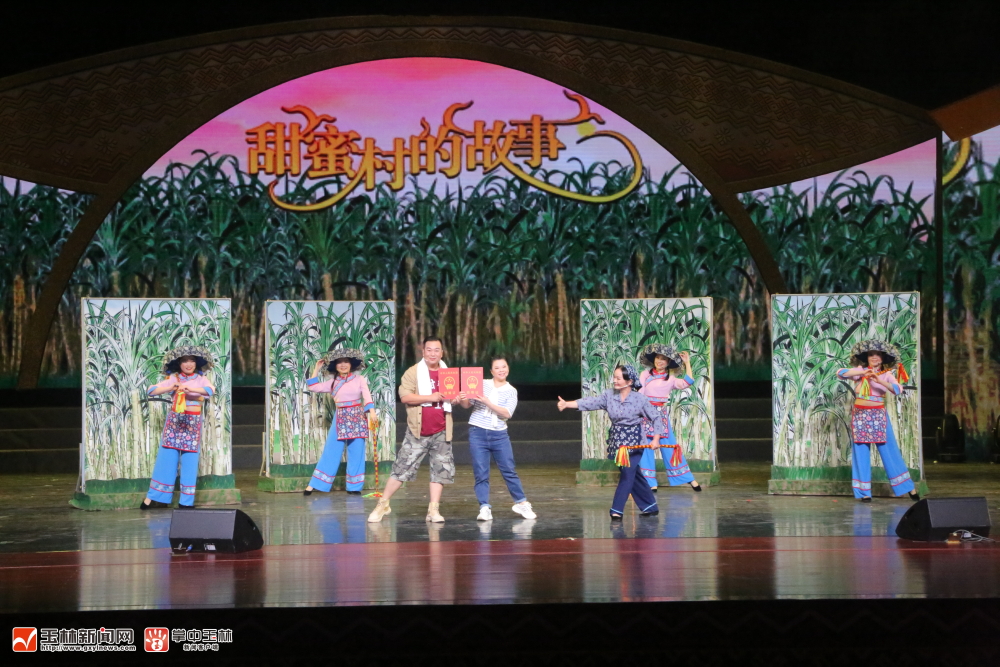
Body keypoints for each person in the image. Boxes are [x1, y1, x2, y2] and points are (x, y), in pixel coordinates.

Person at [368, 337, 459, 523]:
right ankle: (382, 504)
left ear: (442, 353)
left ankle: (433, 510)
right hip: (418, 430)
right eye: (429, 350)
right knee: (401, 468)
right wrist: (431, 397)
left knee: (440, 470)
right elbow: (405, 397)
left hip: (442, 430)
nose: (433, 353)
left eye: (436, 350)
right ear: (423, 352)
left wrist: (457, 399)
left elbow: (456, 399)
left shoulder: (448, 373)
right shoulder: (413, 372)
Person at [557, 364, 664, 520]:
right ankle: (650, 506)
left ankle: (616, 509)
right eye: (614, 377)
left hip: (634, 441)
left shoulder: (640, 399)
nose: (614, 380)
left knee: (627, 474)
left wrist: (656, 438)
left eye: (618, 378)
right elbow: (591, 402)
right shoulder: (609, 395)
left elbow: (656, 417)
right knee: (633, 473)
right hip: (617, 442)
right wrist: (567, 404)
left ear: (629, 381)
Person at [837, 339, 919, 503]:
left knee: (889, 450)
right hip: (860, 415)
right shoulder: (860, 371)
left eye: (878, 355)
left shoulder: (886, 374)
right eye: (871, 354)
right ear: (867, 358)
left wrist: (878, 380)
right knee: (861, 452)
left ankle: (908, 487)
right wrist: (862, 373)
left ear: (882, 358)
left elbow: (898, 389)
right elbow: (840, 373)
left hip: (878, 415)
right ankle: (864, 492)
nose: (874, 357)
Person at [458, 356, 536, 521]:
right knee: (481, 472)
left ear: (508, 368)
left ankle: (521, 503)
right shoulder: (481, 384)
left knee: (509, 469)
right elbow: (466, 405)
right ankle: (484, 507)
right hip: (478, 432)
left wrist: (487, 402)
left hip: (499, 434)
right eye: (497, 368)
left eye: (504, 367)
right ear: (491, 371)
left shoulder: (511, 390)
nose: (501, 370)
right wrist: (463, 396)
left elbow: (507, 413)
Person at [140, 346, 215, 510]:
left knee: (190, 461)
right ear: (179, 364)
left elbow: (210, 390)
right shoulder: (174, 378)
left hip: (192, 424)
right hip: (174, 423)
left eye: (192, 360)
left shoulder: (200, 379)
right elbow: (151, 390)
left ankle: (186, 502)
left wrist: (190, 389)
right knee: (166, 460)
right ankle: (155, 498)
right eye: (185, 361)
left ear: (196, 363)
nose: (189, 364)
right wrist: (170, 388)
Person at [303, 347, 375, 496]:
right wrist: (317, 368)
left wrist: (372, 412)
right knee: (331, 451)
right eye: (339, 362)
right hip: (340, 416)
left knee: (357, 451)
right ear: (335, 366)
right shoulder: (332, 382)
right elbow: (313, 387)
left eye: (346, 362)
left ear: (351, 364)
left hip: (357, 416)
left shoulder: (359, 379)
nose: (343, 365)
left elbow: (367, 396)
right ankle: (315, 484)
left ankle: (354, 487)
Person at [637, 344, 702, 492]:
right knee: (646, 447)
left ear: (668, 363)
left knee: (670, 447)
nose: (659, 361)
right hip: (645, 413)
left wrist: (687, 363)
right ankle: (650, 482)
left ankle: (688, 478)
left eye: (663, 359)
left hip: (660, 415)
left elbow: (688, 382)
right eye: (657, 358)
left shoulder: (671, 379)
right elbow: (640, 392)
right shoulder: (645, 375)